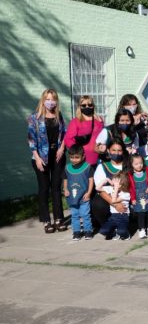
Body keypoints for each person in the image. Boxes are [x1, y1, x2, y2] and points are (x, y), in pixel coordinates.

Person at [28, 88, 67, 233]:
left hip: (57, 155)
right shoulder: (34, 118)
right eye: (48, 99)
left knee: (56, 188)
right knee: (44, 188)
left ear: (56, 101)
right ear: (43, 100)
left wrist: (62, 149)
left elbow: (64, 134)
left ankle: (59, 219)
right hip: (40, 157)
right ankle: (46, 220)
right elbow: (31, 140)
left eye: (53, 99)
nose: (50, 102)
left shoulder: (59, 116)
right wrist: (37, 158)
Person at [91, 138, 129, 229]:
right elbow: (100, 190)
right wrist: (115, 204)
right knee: (98, 204)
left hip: (126, 197)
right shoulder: (102, 166)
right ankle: (108, 227)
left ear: (123, 151)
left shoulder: (129, 165)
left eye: (119, 150)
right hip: (109, 197)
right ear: (108, 150)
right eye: (114, 150)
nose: (116, 153)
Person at [63, 144, 94, 241]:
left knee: (85, 214)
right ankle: (76, 232)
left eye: (76, 157)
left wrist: (88, 193)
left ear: (83, 156)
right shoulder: (67, 168)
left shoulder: (87, 167)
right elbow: (65, 179)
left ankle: (88, 231)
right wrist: (65, 189)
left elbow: (91, 181)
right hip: (72, 197)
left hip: (84, 197)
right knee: (74, 215)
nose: (74, 159)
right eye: (71, 157)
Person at [129, 153, 148, 239]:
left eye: (141, 163)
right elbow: (131, 188)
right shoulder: (130, 175)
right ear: (131, 164)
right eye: (136, 164)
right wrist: (133, 198)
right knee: (140, 214)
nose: (139, 165)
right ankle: (141, 229)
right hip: (138, 199)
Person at [97, 171, 131, 240]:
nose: (113, 183)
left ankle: (126, 234)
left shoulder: (126, 194)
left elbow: (113, 201)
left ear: (121, 184)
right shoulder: (111, 188)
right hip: (113, 216)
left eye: (116, 182)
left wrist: (115, 189)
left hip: (123, 217)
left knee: (121, 231)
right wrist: (106, 179)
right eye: (113, 180)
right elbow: (97, 188)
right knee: (103, 231)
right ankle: (115, 234)